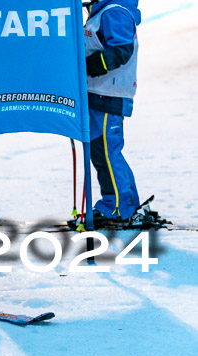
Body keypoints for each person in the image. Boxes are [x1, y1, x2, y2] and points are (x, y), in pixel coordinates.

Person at [85, 0, 142, 223]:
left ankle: (116, 206)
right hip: (100, 92)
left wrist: (88, 67)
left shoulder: (114, 12)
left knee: (106, 152)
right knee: (105, 151)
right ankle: (127, 203)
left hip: (108, 94)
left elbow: (121, 49)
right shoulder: (101, 12)